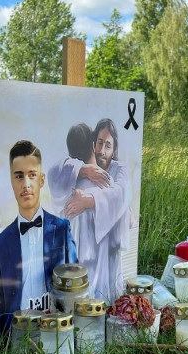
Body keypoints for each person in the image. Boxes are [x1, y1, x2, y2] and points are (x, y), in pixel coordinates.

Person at [0, 140, 78, 342]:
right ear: (11, 181)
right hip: (18, 336)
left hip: (56, 334)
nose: (26, 184)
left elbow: (73, 290)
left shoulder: (62, 230)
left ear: (42, 180)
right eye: (19, 176)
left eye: (32, 175)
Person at [47, 118, 130, 300]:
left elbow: (53, 172)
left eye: (107, 144)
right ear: (93, 145)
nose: (102, 149)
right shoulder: (106, 184)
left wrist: (88, 199)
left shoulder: (64, 186)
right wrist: (84, 169)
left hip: (74, 272)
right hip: (102, 271)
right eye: (100, 143)